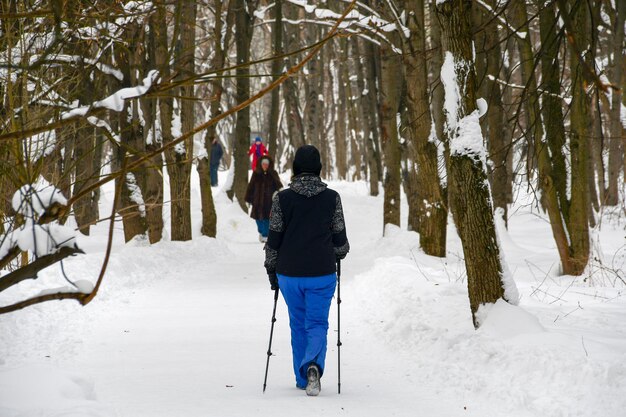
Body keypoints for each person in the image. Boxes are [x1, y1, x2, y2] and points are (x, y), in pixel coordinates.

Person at [264, 144, 349, 396]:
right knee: (317, 323)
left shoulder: (282, 198)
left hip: (289, 273)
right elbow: (340, 241)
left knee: (298, 324)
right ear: (319, 168)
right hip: (321, 273)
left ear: (295, 168)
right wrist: (337, 253)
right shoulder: (332, 198)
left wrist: (272, 270)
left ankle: (302, 379)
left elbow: (274, 239)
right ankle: (313, 365)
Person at [245, 155, 282, 243]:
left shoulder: (273, 173)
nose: (265, 166)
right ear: (261, 164)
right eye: (263, 164)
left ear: (269, 165)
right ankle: (262, 233)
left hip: (269, 202)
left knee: (266, 219)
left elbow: (279, 186)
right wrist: (248, 198)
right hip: (257, 201)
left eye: (266, 164)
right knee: (258, 220)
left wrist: (277, 193)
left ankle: (266, 235)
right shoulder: (256, 173)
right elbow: (251, 186)